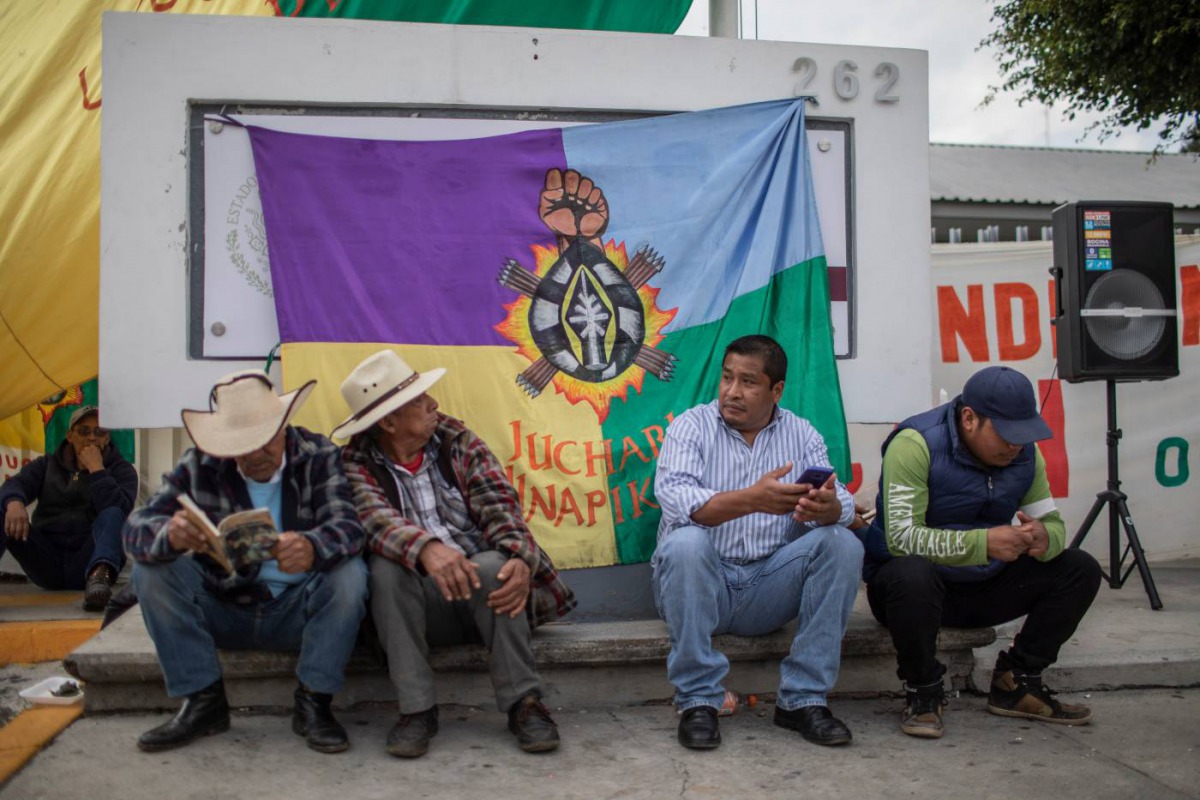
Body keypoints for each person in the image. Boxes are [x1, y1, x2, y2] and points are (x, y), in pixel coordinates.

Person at [336, 350, 575, 758]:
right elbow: (373, 521)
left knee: (497, 566)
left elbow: (502, 507)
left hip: (486, 599)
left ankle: (525, 704)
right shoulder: (354, 464)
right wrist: (426, 549)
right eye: (418, 400)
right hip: (420, 612)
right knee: (385, 569)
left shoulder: (458, 442)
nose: (433, 405)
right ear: (389, 422)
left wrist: (519, 556)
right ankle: (417, 710)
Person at [124, 370, 368, 754]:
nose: (255, 454)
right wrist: (168, 534)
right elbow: (137, 527)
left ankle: (313, 702)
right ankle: (203, 701)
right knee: (151, 569)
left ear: (284, 425)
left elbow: (350, 529)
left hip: (298, 612)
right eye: (242, 444)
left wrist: (312, 546)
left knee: (350, 574)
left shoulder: (318, 456)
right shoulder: (200, 464)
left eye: (266, 440)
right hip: (225, 607)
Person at [859, 365, 1102, 739]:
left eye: (1023, 435)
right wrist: (984, 543)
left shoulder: (1025, 456)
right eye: (1006, 435)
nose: (1015, 446)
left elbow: (1052, 522)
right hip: (912, 594)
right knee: (910, 572)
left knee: (1079, 567)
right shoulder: (915, 443)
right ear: (969, 418)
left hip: (985, 586)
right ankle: (923, 692)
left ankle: (1016, 681)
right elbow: (901, 538)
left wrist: (1043, 538)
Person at [652, 334, 864, 751]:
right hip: (700, 585)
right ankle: (698, 699)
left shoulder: (802, 434)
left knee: (842, 543)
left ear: (776, 390)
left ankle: (802, 699)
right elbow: (678, 501)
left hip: (767, 586)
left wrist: (826, 508)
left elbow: (845, 501)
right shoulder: (690, 427)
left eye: (748, 382)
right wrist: (752, 500)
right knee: (686, 543)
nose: (732, 392)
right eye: (727, 378)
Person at [1, 405, 137, 610]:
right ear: (70, 435)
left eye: (99, 432)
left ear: (107, 438)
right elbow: (15, 484)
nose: (92, 437)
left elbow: (119, 510)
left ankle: (99, 579)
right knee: (5, 508)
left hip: (89, 562)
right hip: (46, 558)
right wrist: (14, 503)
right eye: (84, 431)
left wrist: (97, 470)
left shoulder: (122, 470)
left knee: (113, 513)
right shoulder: (47, 464)